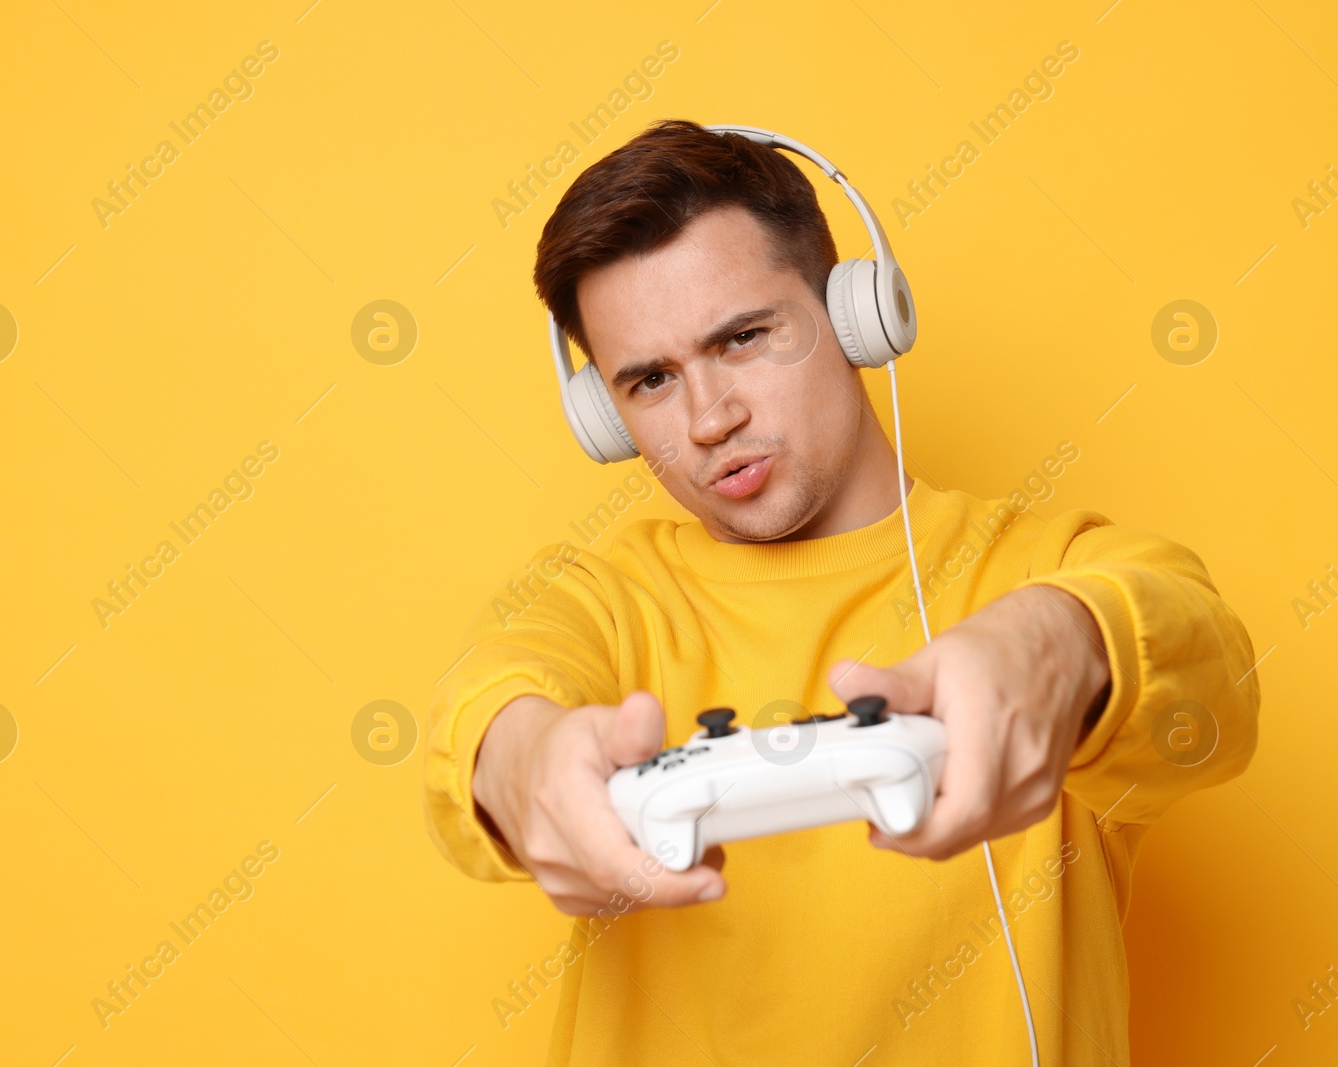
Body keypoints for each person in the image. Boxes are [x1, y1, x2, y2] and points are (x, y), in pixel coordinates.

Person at [423, 119, 1259, 1066]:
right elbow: (487, 703)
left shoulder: (1045, 568)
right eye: (652, 380)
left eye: (744, 338)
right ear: (604, 416)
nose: (709, 418)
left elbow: (1209, 671)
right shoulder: (601, 598)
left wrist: (1062, 644)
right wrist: (523, 757)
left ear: (860, 312)